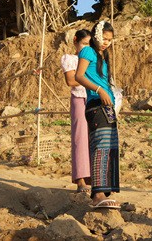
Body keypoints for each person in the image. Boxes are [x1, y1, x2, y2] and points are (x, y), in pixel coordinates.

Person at [75, 21, 120, 209]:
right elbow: (79, 75)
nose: (106, 43)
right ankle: (97, 194)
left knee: (110, 146)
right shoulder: (87, 52)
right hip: (95, 104)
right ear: (96, 35)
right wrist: (99, 90)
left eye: (110, 40)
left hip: (108, 105)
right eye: (104, 38)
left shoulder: (103, 55)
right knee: (100, 146)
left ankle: (106, 191)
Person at [61, 29, 91, 194]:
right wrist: (91, 82)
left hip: (94, 99)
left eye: (89, 45)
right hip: (80, 99)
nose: (87, 48)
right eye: (84, 44)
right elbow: (71, 80)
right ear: (75, 41)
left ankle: (92, 178)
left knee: (94, 138)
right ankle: (80, 179)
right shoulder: (70, 59)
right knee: (80, 138)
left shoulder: (91, 58)